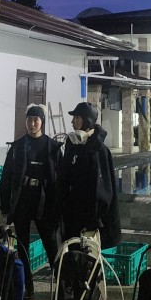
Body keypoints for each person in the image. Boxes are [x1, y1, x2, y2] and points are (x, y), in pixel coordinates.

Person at [0, 103, 63, 300]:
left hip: (45, 201)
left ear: (42, 122)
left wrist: (60, 206)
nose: (32, 123)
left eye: (36, 120)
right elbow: (6, 178)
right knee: (22, 246)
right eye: (29, 119)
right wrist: (5, 206)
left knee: (51, 244)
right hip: (23, 200)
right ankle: (28, 287)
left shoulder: (52, 147)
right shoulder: (17, 147)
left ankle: (62, 285)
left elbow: (60, 179)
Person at [58, 101, 121, 248]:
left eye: (77, 118)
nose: (73, 122)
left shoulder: (98, 150)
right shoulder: (72, 145)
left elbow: (103, 189)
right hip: (72, 215)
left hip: (89, 220)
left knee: (87, 257)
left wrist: (95, 219)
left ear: (87, 121)